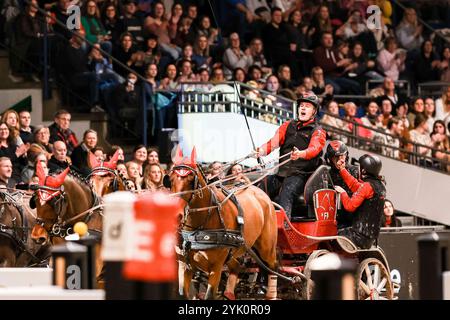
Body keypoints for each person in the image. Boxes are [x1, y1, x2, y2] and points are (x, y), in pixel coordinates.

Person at [255, 92, 326, 220]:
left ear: (314, 112)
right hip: (281, 173)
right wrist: (261, 150)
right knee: (259, 189)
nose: (303, 108)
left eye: (307, 106)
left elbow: (314, 149)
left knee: (286, 194)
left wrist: (301, 154)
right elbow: (274, 142)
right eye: (301, 105)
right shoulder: (287, 125)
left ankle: (284, 226)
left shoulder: (318, 131)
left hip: (301, 175)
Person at [334, 154, 386, 249]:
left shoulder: (367, 186)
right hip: (369, 237)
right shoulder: (380, 186)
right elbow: (356, 186)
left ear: (363, 170)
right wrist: (342, 169)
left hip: (358, 236)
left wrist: (343, 193)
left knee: (333, 235)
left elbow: (349, 206)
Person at [325, 141, 359, 229]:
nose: (339, 159)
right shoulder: (327, 174)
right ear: (329, 158)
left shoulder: (355, 170)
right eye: (335, 157)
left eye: (342, 156)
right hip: (336, 217)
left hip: (354, 217)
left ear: (346, 156)